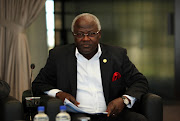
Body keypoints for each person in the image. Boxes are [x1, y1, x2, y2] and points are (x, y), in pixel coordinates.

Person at [32, 13, 148, 121]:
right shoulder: (59, 56)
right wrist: (58, 94)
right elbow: (39, 84)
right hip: (76, 116)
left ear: (99, 34)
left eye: (91, 34)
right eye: (80, 34)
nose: (86, 39)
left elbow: (140, 81)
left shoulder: (117, 55)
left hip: (112, 115)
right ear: (73, 35)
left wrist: (124, 100)